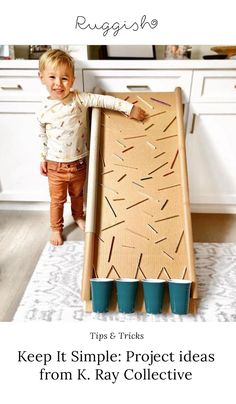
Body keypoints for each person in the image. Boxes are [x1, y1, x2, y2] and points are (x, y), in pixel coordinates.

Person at [37, 49, 146, 246]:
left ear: (72, 79)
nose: (58, 83)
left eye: (64, 78)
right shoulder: (43, 109)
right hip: (55, 165)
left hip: (78, 163)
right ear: (42, 78)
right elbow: (42, 134)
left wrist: (129, 109)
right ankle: (56, 228)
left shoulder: (80, 98)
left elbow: (105, 100)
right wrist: (43, 157)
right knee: (57, 200)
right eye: (52, 77)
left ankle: (79, 216)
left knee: (78, 195)